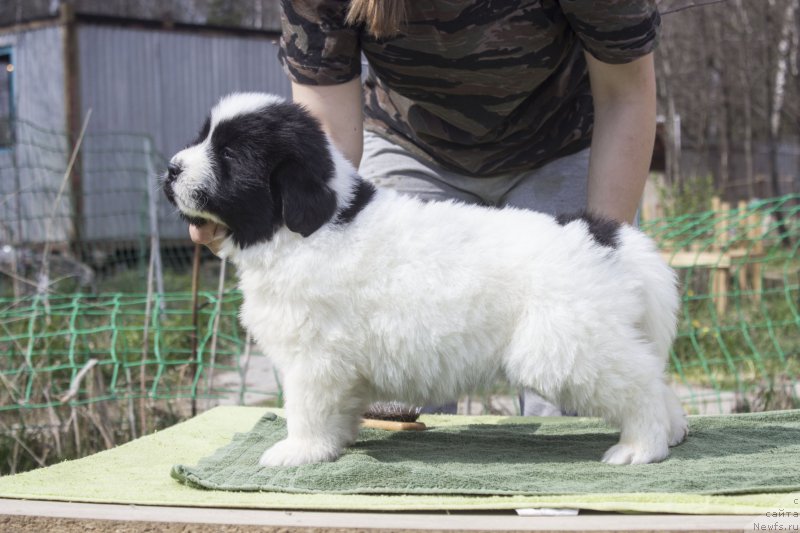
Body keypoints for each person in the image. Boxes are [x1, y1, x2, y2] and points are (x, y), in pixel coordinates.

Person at [190, 0, 660, 416]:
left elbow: (626, 93)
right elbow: (324, 142)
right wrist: (254, 211)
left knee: (572, 382)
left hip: (563, 143)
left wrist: (600, 261)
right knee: (390, 395)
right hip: (409, 146)